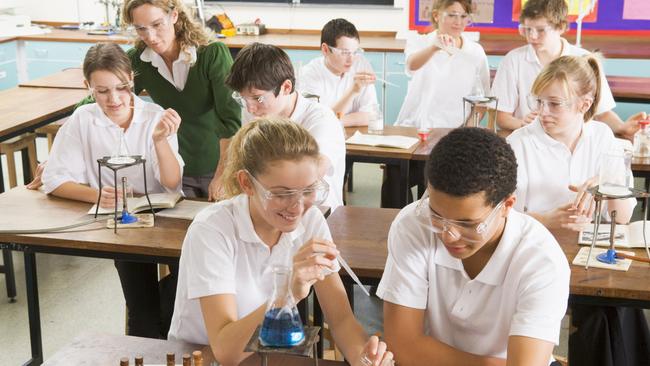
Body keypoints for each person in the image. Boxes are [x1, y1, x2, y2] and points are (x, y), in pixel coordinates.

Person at [168, 117, 394, 366]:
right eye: (282, 194)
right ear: (246, 183)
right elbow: (225, 351)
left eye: (308, 190)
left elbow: (341, 321)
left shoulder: (311, 219)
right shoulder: (212, 229)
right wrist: (288, 292)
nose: (297, 207)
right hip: (201, 357)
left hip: (269, 355)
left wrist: (365, 357)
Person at [377, 127, 570, 366]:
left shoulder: (541, 261)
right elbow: (403, 347)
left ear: (507, 205)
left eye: (468, 224)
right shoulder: (414, 225)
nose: (449, 235)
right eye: (437, 215)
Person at [507, 54, 650, 366]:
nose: (542, 112)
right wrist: (545, 220)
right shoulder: (519, 143)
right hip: (533, 253)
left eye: (554, 104)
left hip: (591, 258)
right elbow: (494, 218)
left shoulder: (602, 138)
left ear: (585, 104)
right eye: (539, 101)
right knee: (597, 315)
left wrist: (606, 180)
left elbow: (623, 218)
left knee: (617, 310)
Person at [41, 43, 184, 338]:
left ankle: (164, 324)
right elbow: (54, 179)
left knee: (185, 291)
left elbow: (171, 183)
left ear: (131, 78)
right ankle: (145, 340)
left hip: (165, 222)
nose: (115, 99)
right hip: (121, 226)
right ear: (88, 87)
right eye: (102, 91)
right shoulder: (83, 119)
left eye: (121, 87)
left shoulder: (155, 116)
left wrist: (159, 141)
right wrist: (97, 195)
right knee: (142, 313)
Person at [122, 0, 241, 200]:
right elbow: (106, 99)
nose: (150, 37)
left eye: (157, 24)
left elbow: (232, 121)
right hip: (174, 170)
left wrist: (222, 174)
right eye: (140, 28)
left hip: (218, 166)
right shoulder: (138, 60)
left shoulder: (212, 54)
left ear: (174, 16)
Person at [492, 0, 647, 139]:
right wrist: (521, 123)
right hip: (531, 140)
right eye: (526, 29)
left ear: (561, 27)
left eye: (540, 30)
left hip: (574, 142)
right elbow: (501, 116)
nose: (532, 36)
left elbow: (601, 112)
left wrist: (621, 127)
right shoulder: (513, 59)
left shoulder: (584, 59)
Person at [225, 42, 346, 210]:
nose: (250, 108)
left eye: (257, 98)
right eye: (243, 98)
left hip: (316, 214)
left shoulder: (321, 119)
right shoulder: (254, 110)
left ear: (286, 87)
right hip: (269, 211)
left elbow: (310, 176)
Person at [395, 0, 490, 129]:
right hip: (416, 127)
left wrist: (466, 132)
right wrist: (435, 47)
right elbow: (411, 65)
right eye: (452, 15)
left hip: (455, 132)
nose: (458, 22)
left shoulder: (475, 51)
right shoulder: (420, 41)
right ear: (436, 15)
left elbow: (482, 101)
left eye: (463, 16)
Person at [297, 18, 378, 127]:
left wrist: (337, 121)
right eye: (345, 52)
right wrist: (353, 91)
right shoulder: (309, 75)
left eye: (355, 52)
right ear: (325, 50)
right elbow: (318, 123)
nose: (351, 59)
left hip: (353, 136)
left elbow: (371, 115)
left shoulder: (360, 64)